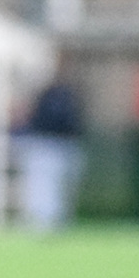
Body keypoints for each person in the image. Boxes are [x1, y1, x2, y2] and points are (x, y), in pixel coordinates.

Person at [14, 63, 85, 233]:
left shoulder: (67, 95)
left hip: (62, 145)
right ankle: (42, 221)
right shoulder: (45, 95)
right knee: (41, 186)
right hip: (44, 144)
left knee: (57, 187)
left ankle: (54, 220)